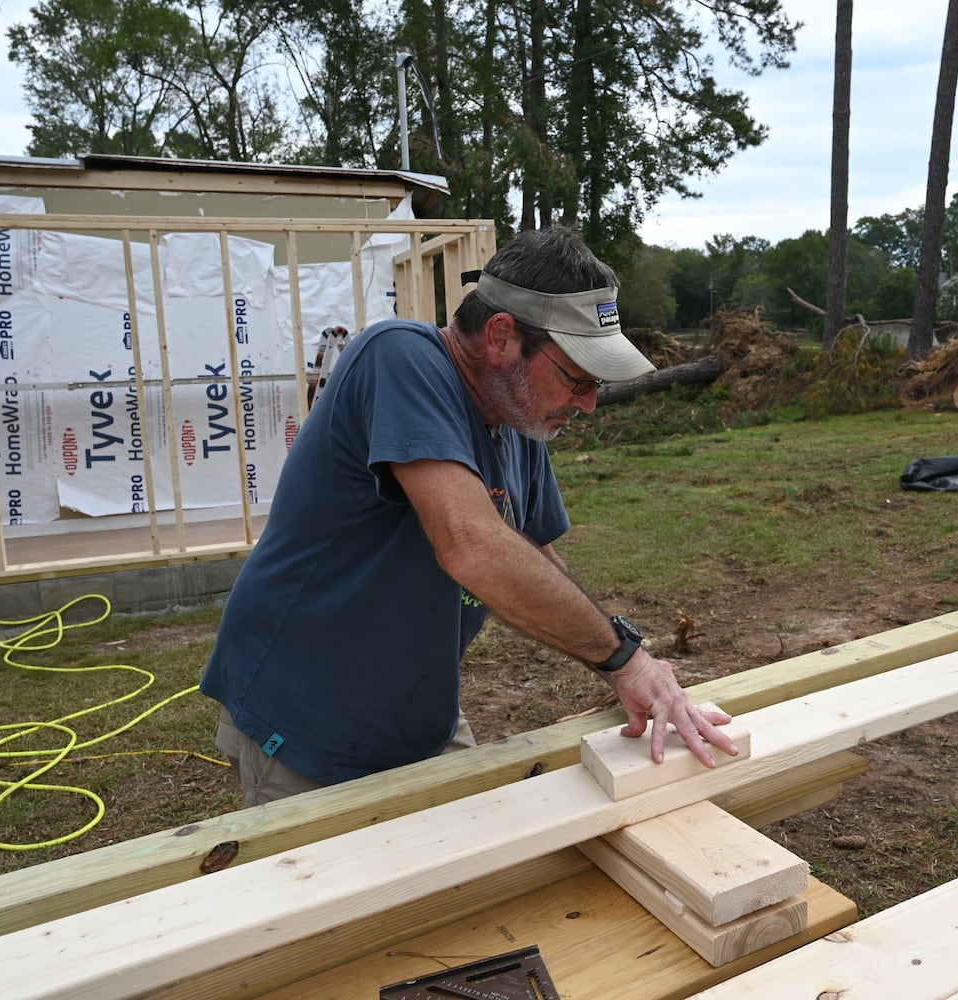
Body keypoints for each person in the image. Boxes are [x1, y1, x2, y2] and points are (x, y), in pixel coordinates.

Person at [201, 226, 738, 805]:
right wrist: (625, 660)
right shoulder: (398, 358)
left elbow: (529, 553)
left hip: (416, 712)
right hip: (309, 716)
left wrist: (623, 665)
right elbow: (472, 546)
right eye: (577, 378)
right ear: (502, 336)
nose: (587, 402)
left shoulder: (517, 417)